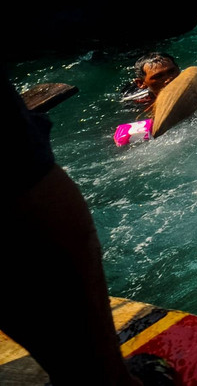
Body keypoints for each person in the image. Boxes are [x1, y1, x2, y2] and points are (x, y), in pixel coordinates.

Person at [0, 71, 171, 386]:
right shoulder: (131, 104)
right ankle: (101, 380)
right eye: (160, 78)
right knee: (26, 183)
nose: (169, 82)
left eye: (172, 75)